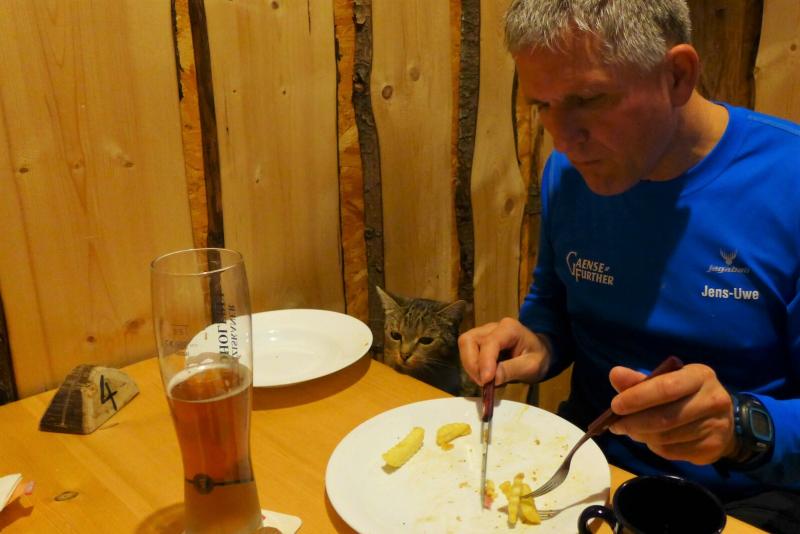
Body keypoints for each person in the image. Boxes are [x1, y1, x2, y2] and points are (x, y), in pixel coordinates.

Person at [458, 1, 800, 531]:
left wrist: (741, 425)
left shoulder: (787, 183)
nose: (562, 139)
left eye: (588, 99)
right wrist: (536, 344)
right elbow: (553, 308)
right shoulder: (568, 173)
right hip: (587, 464)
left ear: (677, 75)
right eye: (542, 105)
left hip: (744, 495)